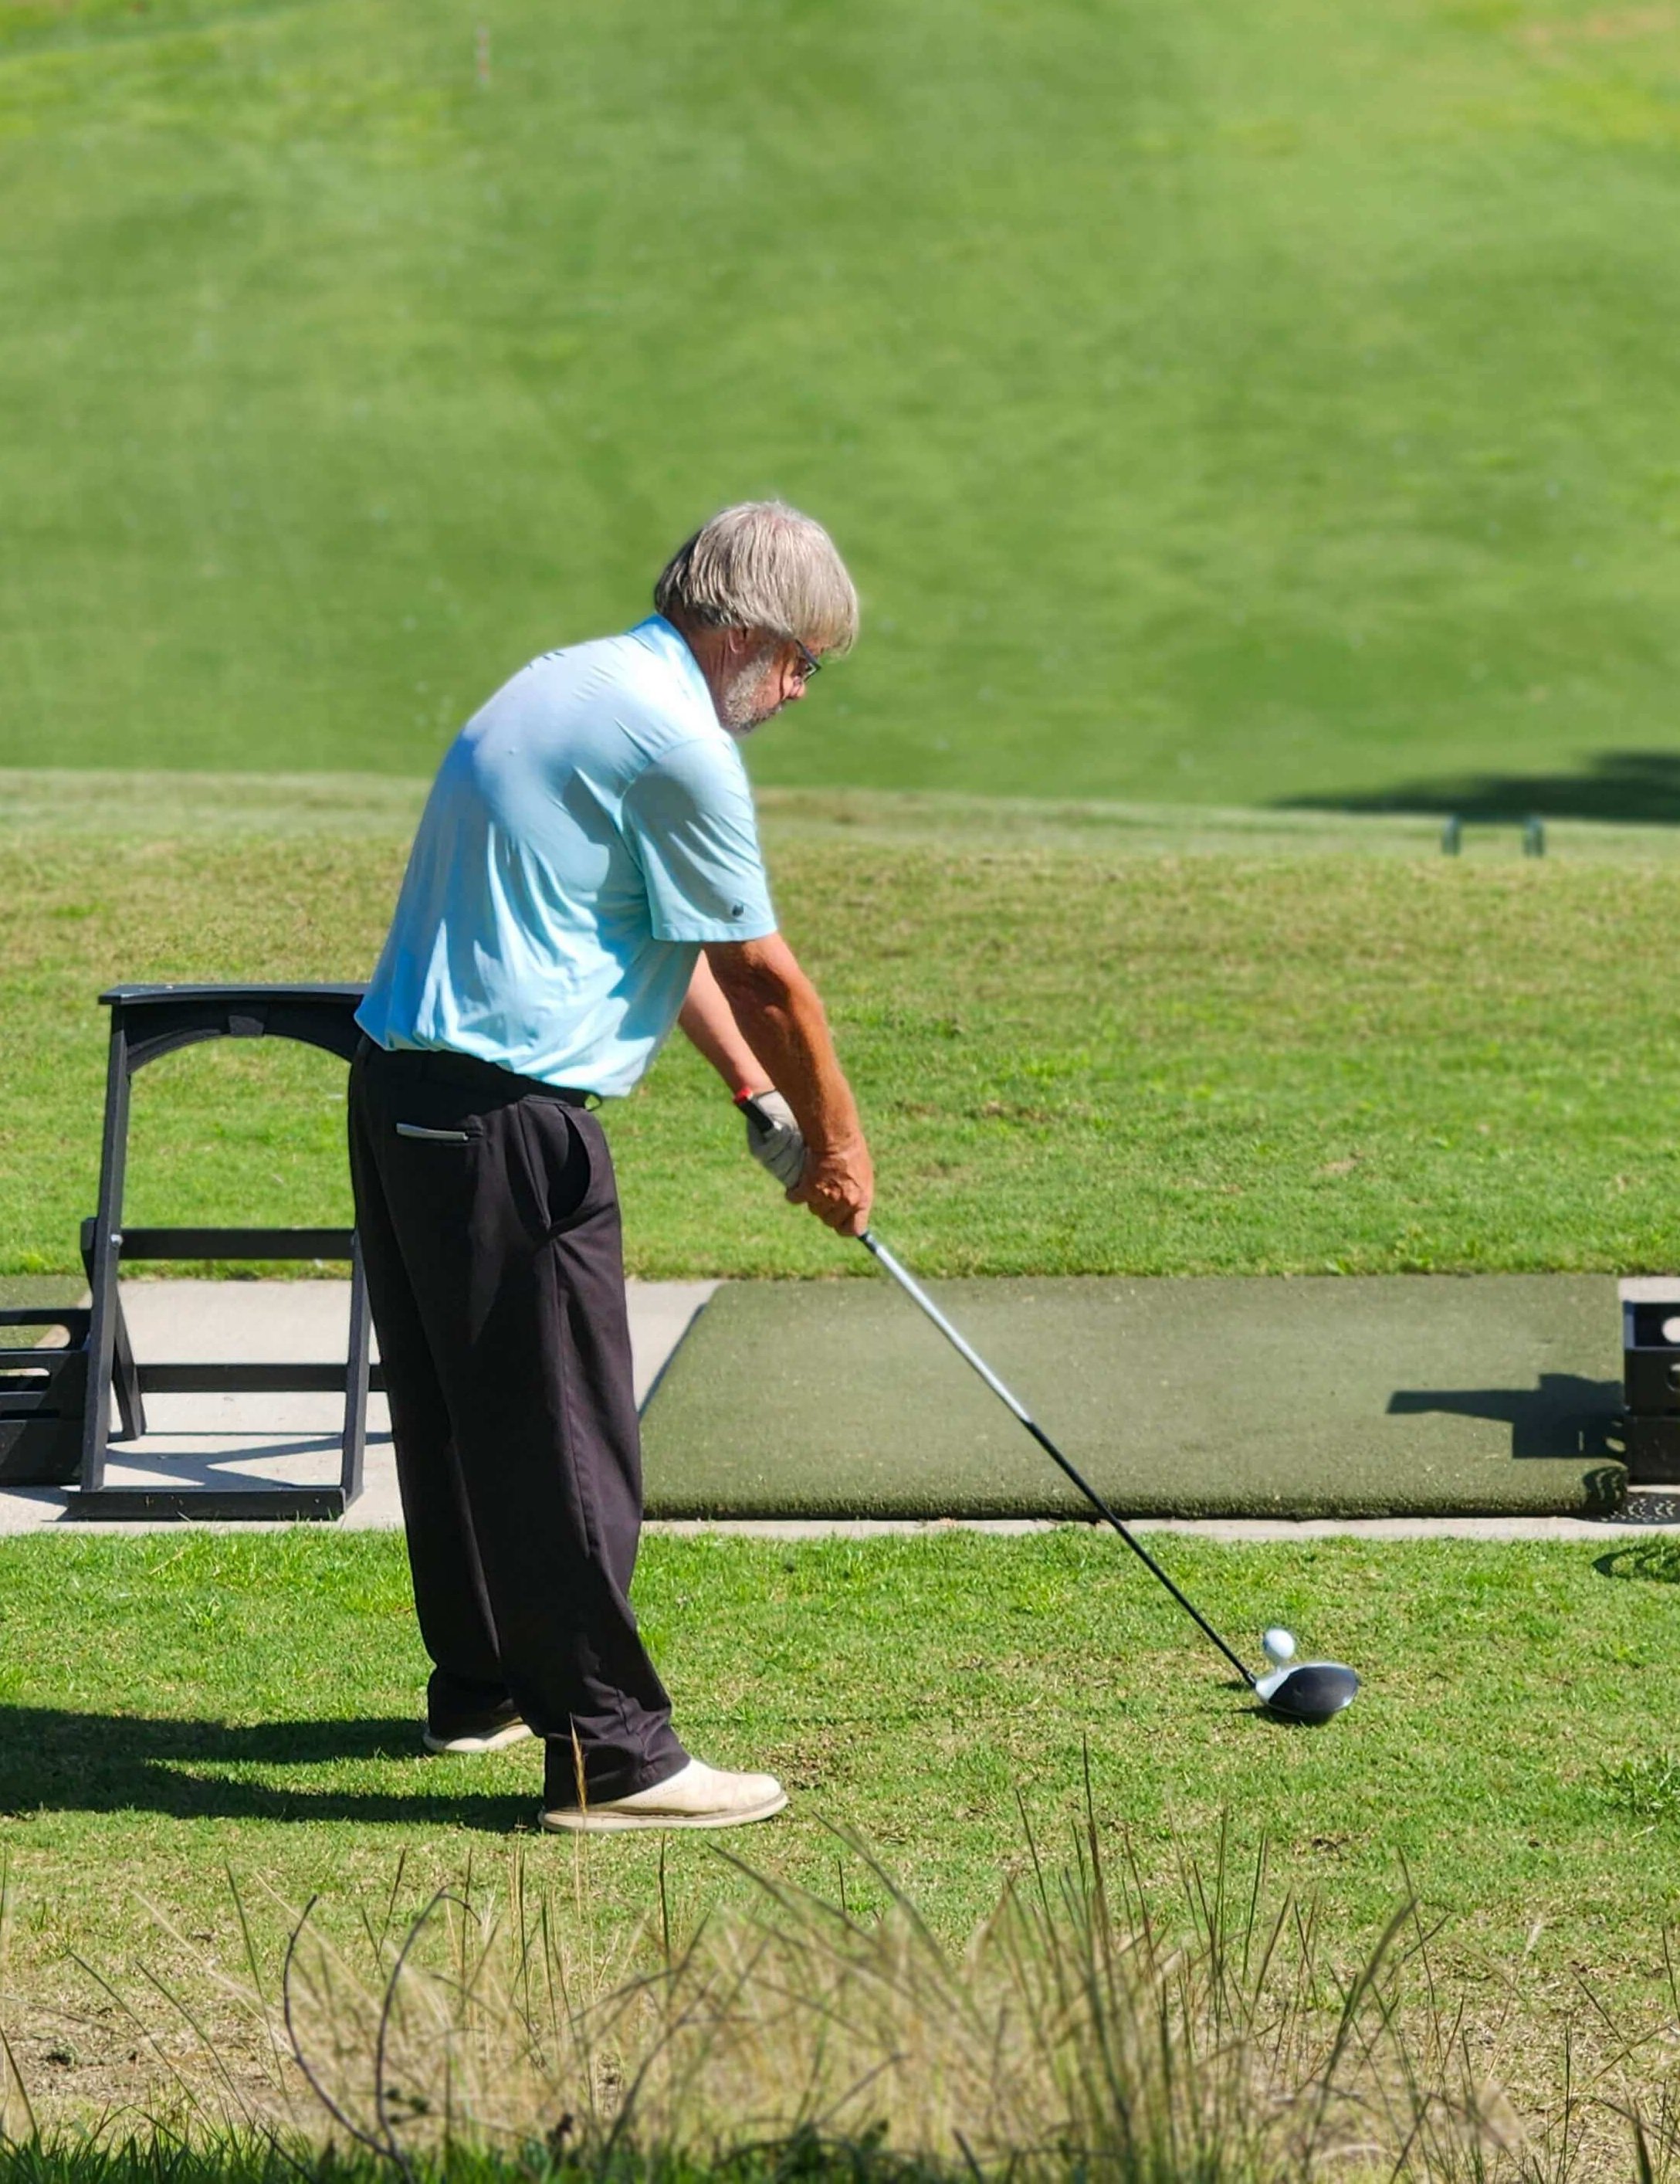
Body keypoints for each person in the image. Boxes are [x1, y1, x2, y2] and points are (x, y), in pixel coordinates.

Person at [349, 502, 872, 1835]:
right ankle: (614, 1758)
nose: (803, 688)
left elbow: (663, 930)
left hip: (409, 1095)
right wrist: (843, 1149)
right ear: (747, 633)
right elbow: (765, 973)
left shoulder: (579, 680)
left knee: (469, 1417)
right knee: (571, 1438)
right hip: (508, 1118)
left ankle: (483, 1688)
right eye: (806, 660)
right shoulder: (677, 740)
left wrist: (754, 1101)